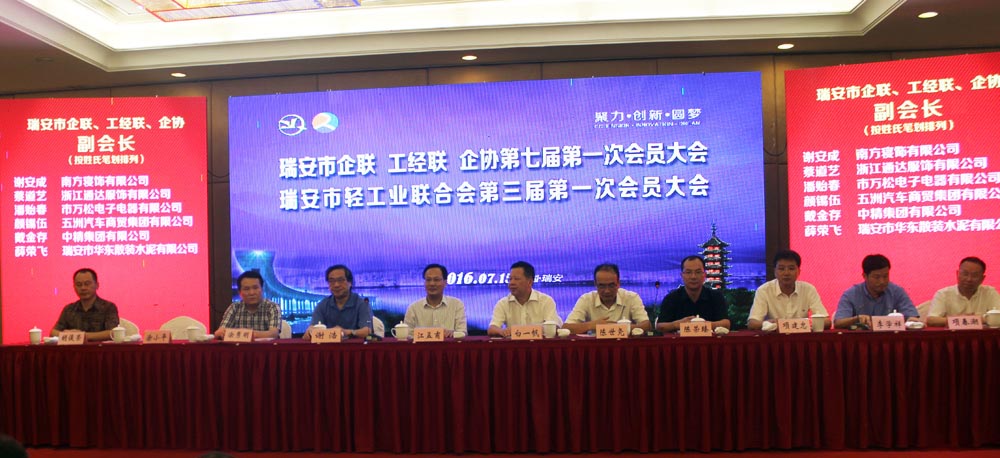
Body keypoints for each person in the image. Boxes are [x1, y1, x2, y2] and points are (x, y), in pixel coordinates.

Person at [747, 249, 827, 330]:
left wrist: (807, 323)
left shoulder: (808, 289)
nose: (786, 273)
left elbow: (826, 321)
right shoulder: (764, 290)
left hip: (801, 337)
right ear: (775, 271)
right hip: (775, 336)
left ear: (798, 271)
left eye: (791, 269)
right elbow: (752, 323)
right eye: (781, 269)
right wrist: (769, 323)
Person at [833, 254, 919, 329]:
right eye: (877, 277)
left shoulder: (897, 292)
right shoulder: (851, 294)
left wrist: (912, 321)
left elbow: (912, 316)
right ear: (865, 276)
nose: (882, 281)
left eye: (885, 276)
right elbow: (838, 323)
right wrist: (856, 319)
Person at [563, 263, 651, 334]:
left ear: (618, 283)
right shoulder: (586, 299)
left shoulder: (631, 297)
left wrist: (617, 327)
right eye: (602, 286)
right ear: (595, 284)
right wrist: (591, 325)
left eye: (611, 285)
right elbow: (566, 328)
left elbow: (646, 326)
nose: (607, 291)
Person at [655, 256, 730, 332]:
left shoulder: (716, 296)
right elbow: (660, 326)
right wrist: (677, 324)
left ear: (704, 275)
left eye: (698, 272)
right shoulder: (671, 298)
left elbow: (726, 323)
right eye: (688, 272)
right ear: (682, 276)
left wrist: (704, 325)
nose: (693, 277)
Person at [488, 261, 561, 337]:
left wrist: (519, 331)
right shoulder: (503, 303)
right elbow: (492, 328)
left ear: (530, 282)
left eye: (516, 279)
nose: (511, 283)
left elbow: (553, 327)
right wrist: (502, 331)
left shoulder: (546, 301)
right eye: (510, 279)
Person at [304, 264, 372, 340]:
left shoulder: (362, 304)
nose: (336, 285)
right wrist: (310, 331)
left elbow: (367, 331)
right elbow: (313, 328)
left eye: (340, 280)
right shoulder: (322, 305)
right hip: (328, 346)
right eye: (332, 281)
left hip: (355, 346)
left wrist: (346, 332)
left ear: (350, 283)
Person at [927, 257, 1000, 327]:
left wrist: (965, 320)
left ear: (982, 278)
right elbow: (931, 320)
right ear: (957, 274)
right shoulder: (943, 294)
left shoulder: (990, 292)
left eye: (975, 275)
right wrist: (965, 320)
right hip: (953, 335)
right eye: (965, 274)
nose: (969, 279)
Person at [50, 267, 120, 341]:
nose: (83, 288)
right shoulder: (69, 309)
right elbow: (53, 332)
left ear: (97, 285)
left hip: (99, 348)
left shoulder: (108, 307)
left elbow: (113, 333)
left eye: (87, 284)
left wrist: (82, 336)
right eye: (79, 284)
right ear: (74, 287)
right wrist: (69, 335)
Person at [403, 263, 467, 336]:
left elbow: (462, 332)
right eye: (428, 280)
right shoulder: (413, 308)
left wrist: (453, 334)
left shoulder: (457, 305)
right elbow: (407, 335)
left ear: (445, 282)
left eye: (436, 280)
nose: (432, 284)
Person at [214, 270, 281, 339]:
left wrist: (245, 334)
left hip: (265, 346)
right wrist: (220, 332)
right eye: (246, 289)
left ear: (262, 289)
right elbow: (220, 332)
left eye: (255, 288)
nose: (251, 293)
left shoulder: (272, 307)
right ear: (240, 292)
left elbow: (273, 334)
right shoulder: (234, 307)